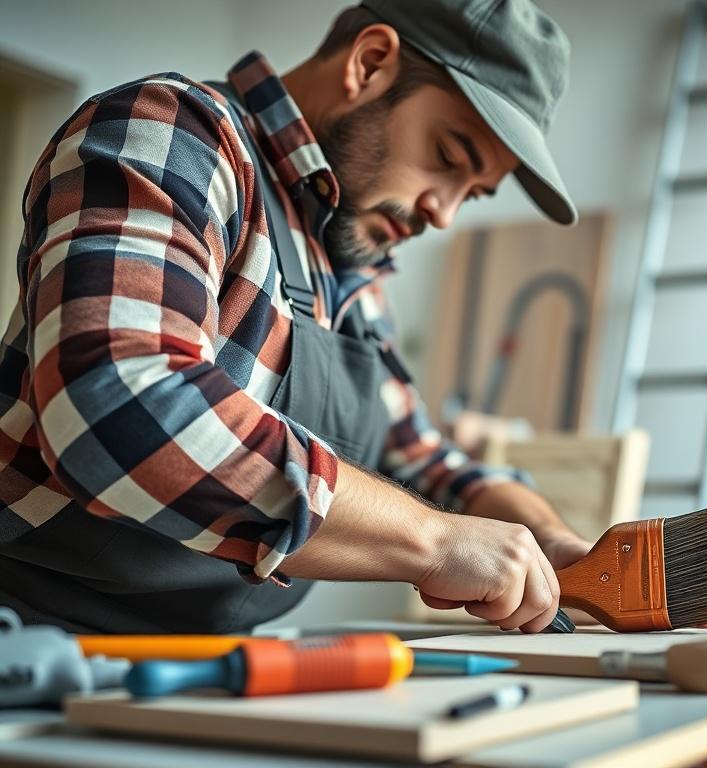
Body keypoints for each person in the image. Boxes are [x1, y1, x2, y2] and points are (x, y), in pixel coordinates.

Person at [0, 0, 591, 635]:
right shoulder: (178, 134)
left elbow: (430, 464)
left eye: (470, 194)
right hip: (33, 647)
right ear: (369, 64)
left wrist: (546, 540)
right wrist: (432, 539)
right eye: (448, 157)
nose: (443, 213)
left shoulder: (355, 282)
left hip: (210, 671)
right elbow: (119, 406)